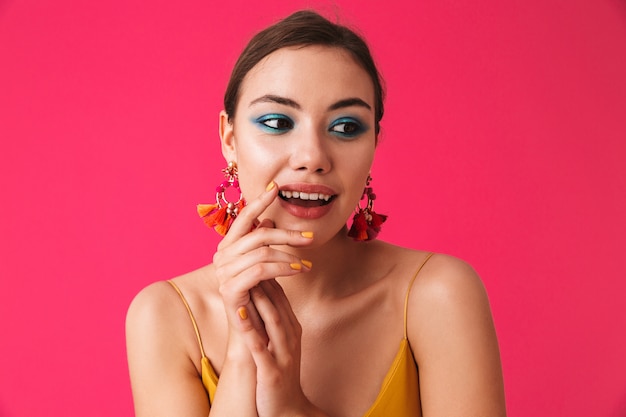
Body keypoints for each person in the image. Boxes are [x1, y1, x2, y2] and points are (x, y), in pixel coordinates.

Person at [126, 10, 506, 417]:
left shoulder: (438, 295)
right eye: (277, 122)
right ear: (230, 138)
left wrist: (290, 407)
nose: (312, 158)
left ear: (375, 143)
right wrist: (243, 356)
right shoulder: (165, 317)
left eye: (345, 128)